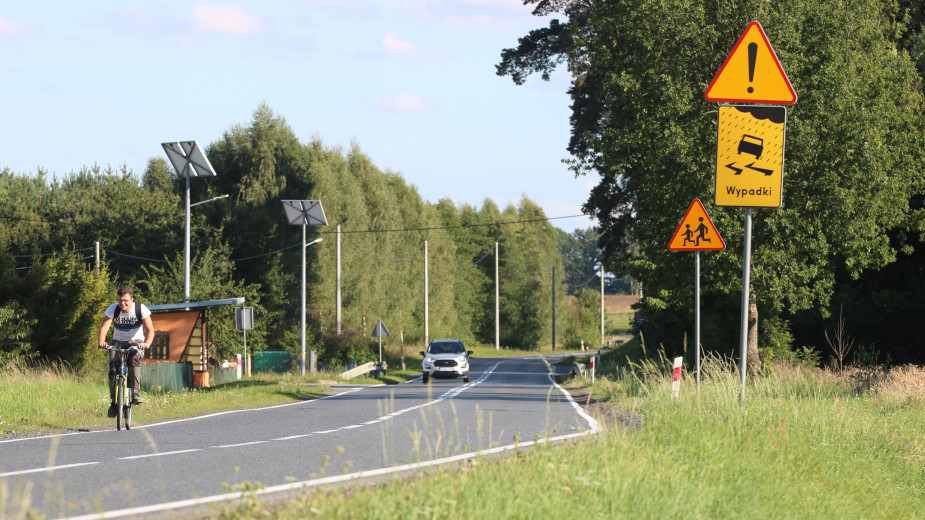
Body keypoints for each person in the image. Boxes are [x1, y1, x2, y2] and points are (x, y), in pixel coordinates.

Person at [98, 286, 154, 418]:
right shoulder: (113, 309)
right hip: (117, 342)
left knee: (133, 359)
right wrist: (102, 341)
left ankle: (134, 392)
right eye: (120, 300)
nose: (122, 303)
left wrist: (146, 344)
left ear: (132, 300)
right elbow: (104, 328)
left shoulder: (141, 309)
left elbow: (150, 330)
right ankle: (113, 403)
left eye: (126, 300)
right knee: (113, 369)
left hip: (136, 342)